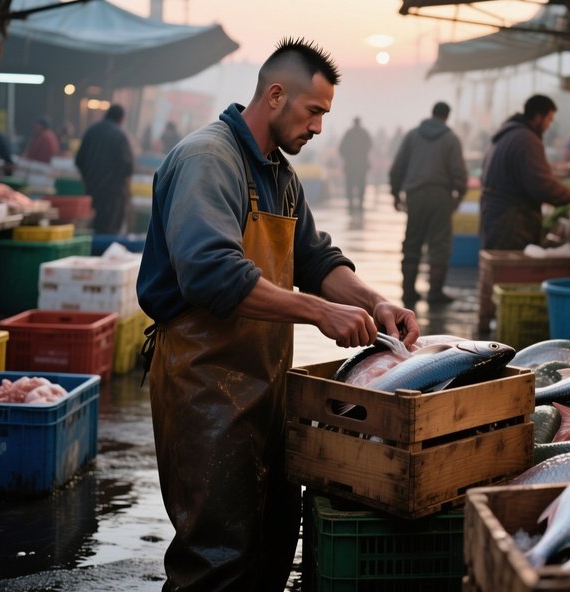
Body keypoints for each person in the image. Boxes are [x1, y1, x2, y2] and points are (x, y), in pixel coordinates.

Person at [135, 37, 418, 591]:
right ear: (275, 95)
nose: (319, 127)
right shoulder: (207, 159)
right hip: (203, 384)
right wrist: (319, 312)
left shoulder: (280, 176)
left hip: (266, 385)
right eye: (313, 112)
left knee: (270, 544)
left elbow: (315, 260)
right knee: (216, 557)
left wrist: (374, 302)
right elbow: (210, 273)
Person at [480, 95, 570, 251]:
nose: (549, 125)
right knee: (511, 265)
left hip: (494, 217)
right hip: (511, 223)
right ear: (538, 117)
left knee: (500, 264)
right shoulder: (526, 139)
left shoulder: (507, 134)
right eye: (549, 119)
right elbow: (542, 185)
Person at [389, 101, 468, 307]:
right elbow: (458, 171)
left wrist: (395, 193)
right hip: (441, 196)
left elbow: (398, 166)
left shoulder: (412, 135)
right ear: (447, 116)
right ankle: (435, 292)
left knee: (412, 243)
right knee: (439, 244)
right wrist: (459, 194)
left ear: (431, 113)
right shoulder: (451, 139)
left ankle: (408, 292)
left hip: (415, 196)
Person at [75, 104, 134, 234]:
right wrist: (128, 193)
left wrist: (88, 179)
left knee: (92, 228)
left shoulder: (91, 131)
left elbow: (79, 160)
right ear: (121, 118)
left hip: (91, 190)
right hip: (113, 195)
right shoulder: (120, 135)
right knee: (109, 231)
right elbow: (127, 167)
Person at [338, 116, 372, 211]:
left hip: (351, 165)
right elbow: (369, 145)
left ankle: (352, 204)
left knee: (350, 185)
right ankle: (359, 204)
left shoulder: (349, 133)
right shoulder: (363, 133)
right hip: (360, 164)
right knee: (360, 185)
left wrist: (348, 156)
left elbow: (341, 149)